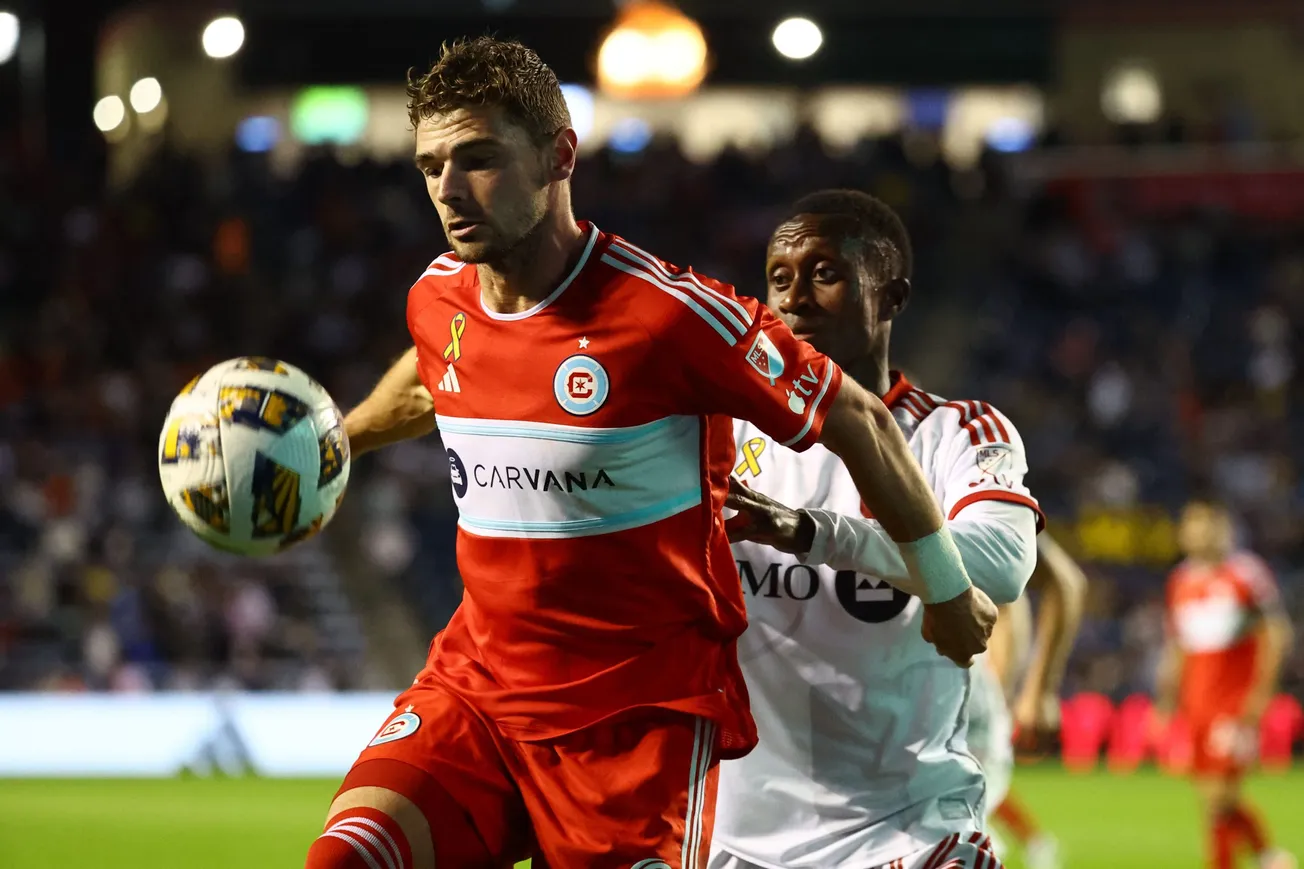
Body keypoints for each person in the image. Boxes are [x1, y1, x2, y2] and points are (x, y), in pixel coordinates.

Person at [306, 39, 998, 869]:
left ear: (560, 154)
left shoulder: (668, 317)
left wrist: (946, 587)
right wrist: (337, 442)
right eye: (430, 166)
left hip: (634, 726)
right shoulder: (439, 295)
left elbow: (860, 416)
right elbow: (430, 381)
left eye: (478, 158)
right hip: (477, 692)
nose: (449, 190)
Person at [714, 189, 1046, 869]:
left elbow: (1002, 563)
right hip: (732, 840)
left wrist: (813, 532)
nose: (795, 299)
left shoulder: (954, 432)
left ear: (891, 297)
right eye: (779, 278)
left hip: (905, 833)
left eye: (825, 273)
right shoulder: (719, 429)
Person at [1153, 499, 1296, 869]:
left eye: (1206, 525)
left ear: (1223, 529)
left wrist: (1261, 693)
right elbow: (1177, 646)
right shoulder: (1180, 580)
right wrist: (1167, 700)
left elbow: (1276, 633)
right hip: (1196, 701)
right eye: (1191, 525)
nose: (1197, 533)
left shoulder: (1245, 574)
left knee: (1218, 795)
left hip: (1233, 700)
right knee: (1212, 795)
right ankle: (1268, 856)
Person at [969, 533, 1087, 869]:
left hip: (965, 696)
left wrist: (1039, 689)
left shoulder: (972, 492)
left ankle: (1025, 843)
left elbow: (1064, 581)